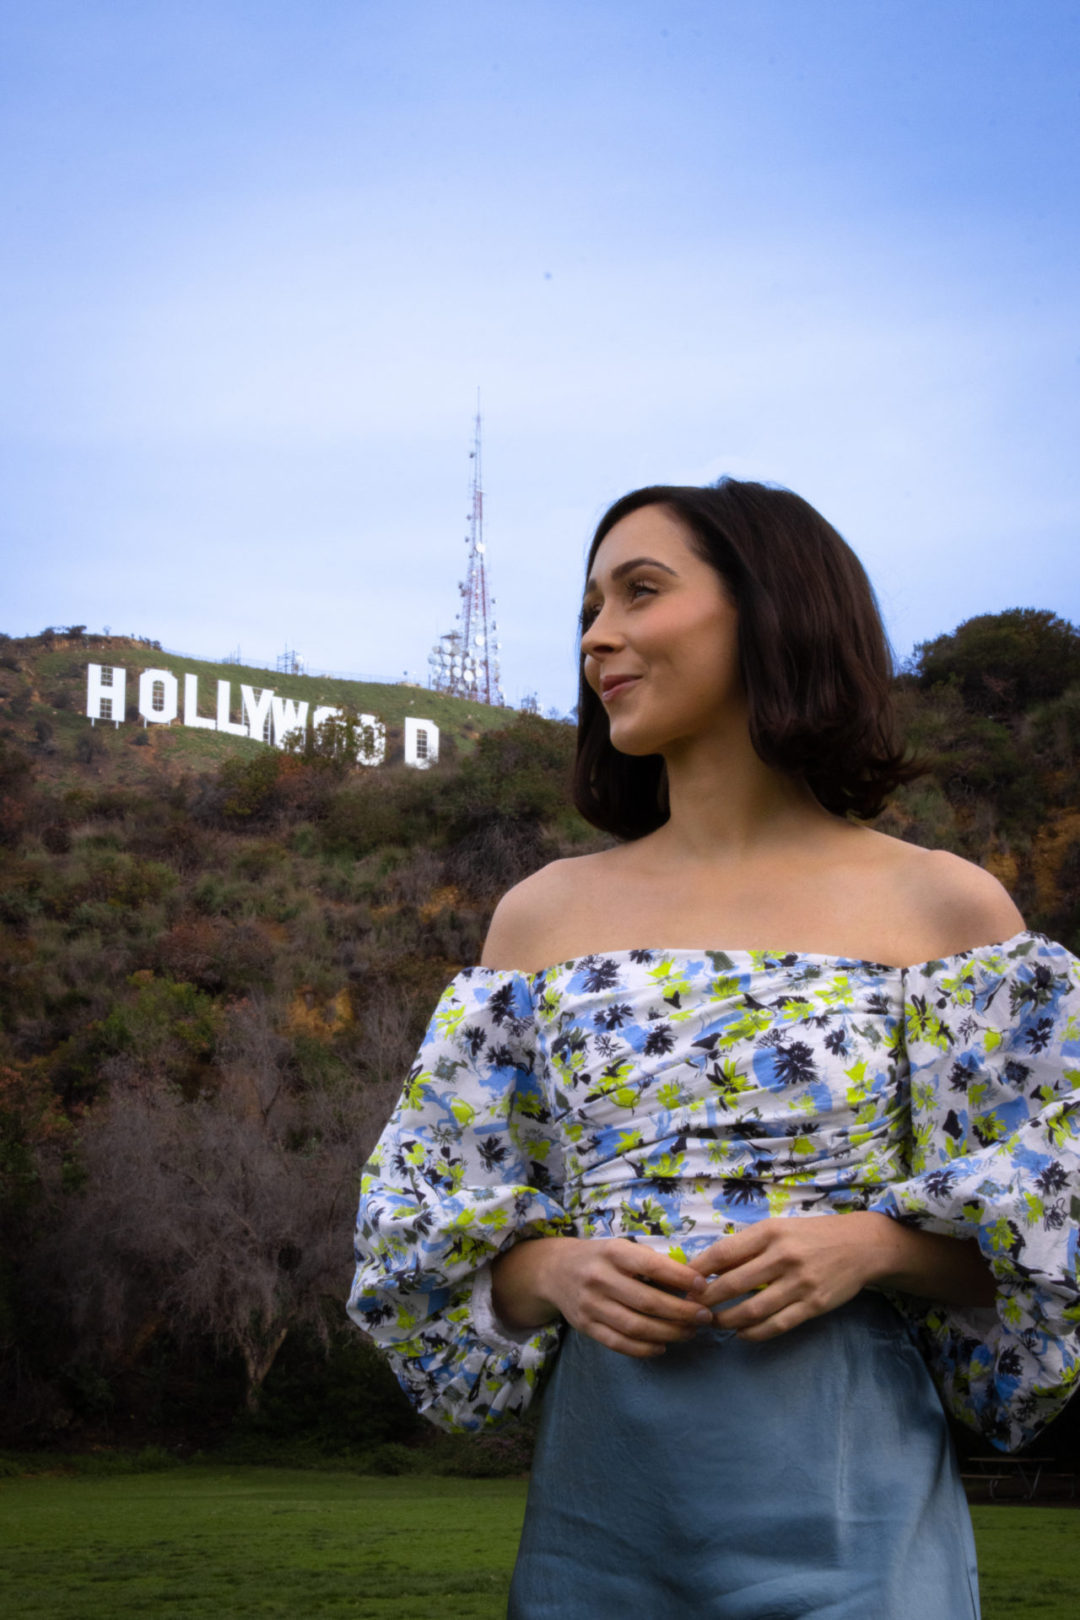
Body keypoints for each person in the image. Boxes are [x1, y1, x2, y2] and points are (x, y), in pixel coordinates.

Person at [349, 480, 1080, 1619]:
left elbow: (1051, 1239)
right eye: (589, 605)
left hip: (854, 1512)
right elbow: (420, 1223)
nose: (599, 636)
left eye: (642, 591)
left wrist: (873, 1246)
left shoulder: (947, 911)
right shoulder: (539, 922)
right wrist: (550, 1269)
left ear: (773, 610)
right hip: (603, 1510)